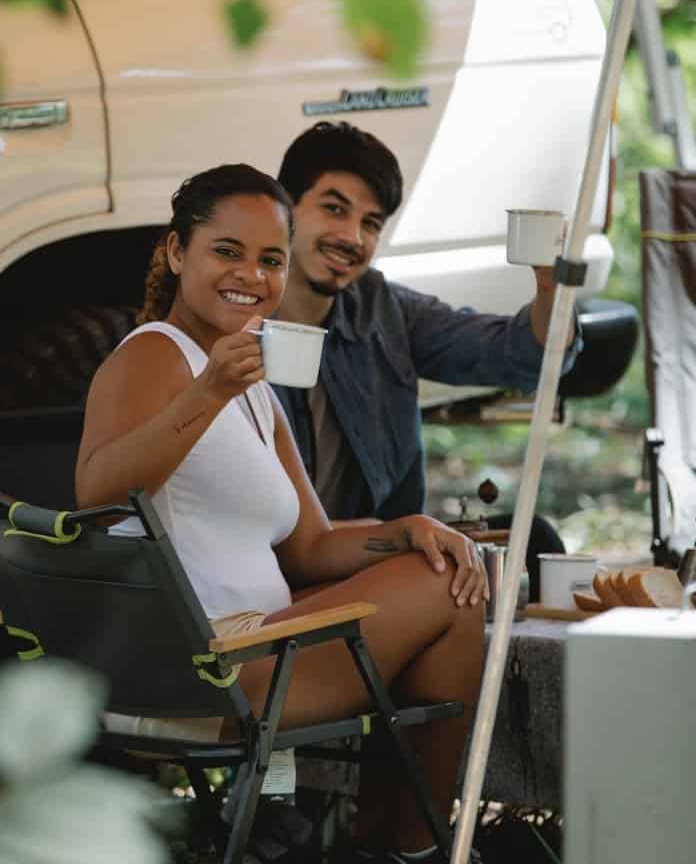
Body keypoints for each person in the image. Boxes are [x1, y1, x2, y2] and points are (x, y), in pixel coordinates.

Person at [76, 163, 487, 863]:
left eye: (270, 259)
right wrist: (206, 394)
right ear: (178, 253)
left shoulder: (250, 386)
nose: (251, 275)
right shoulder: (154, 357)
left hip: (259, 649)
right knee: (446, 586)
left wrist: (405, 530)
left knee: (441, 562)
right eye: (226, 252)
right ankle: (411, 851)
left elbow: (312, 548)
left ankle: (388, 845)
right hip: (203, 665)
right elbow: (99, 495)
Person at [271, 122, 582, 599]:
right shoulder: (235, 319)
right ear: (285, 209)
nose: (352, 236)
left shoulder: (383, 309)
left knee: (535, 540)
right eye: (334, 209)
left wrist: (550, 289)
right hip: (281, 564)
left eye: (371, 223)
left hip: (378, 551)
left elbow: (516, 354)